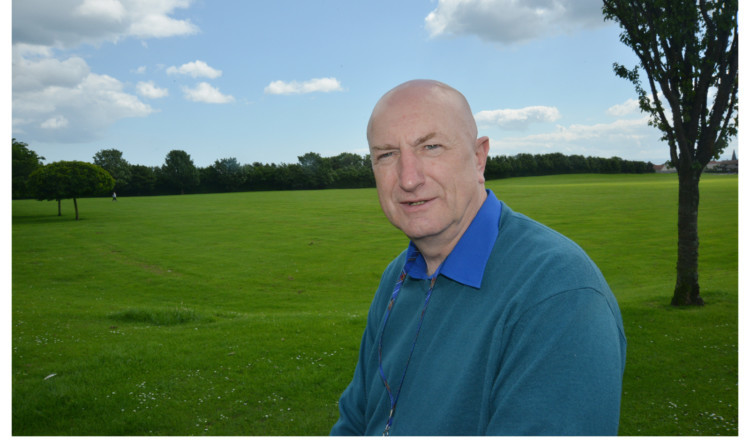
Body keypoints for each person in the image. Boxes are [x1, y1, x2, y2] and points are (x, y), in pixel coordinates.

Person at [330, 80, 626, 436]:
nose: (408, 179)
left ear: (478, 157)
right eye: (387, 155)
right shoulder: (398, 276)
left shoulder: (559, 292)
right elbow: (354, 421)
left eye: (431, 146)